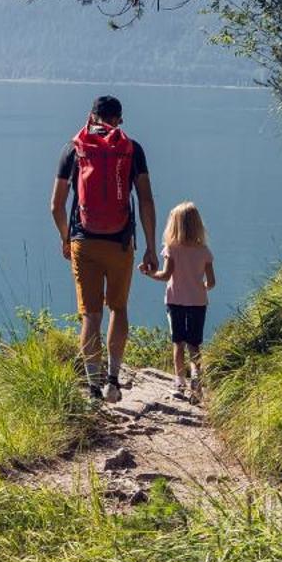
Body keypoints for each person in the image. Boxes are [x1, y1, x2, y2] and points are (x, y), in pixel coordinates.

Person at [51, 95, 157, 402]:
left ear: (91, 116)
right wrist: (150, 246)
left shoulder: (73, 149)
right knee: (119, 309)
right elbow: (146, 200)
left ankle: (93, 386)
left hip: (84, 240)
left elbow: (56, 206)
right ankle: (113, 380)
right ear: (118, 120)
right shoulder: (132, 149)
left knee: (91, 316)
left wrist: (65, 237)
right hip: (121, 243)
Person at [146, 201, 215, 402]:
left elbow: (166, 275)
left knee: (178, 343)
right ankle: (196, 381)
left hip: (175, 301)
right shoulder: (204, 251)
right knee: (194, 345)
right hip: (198, 302)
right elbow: (211, 282)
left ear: (174, 224)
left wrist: (150, 273)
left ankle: (179, 383)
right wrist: (201, 288)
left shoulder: (172, 248)